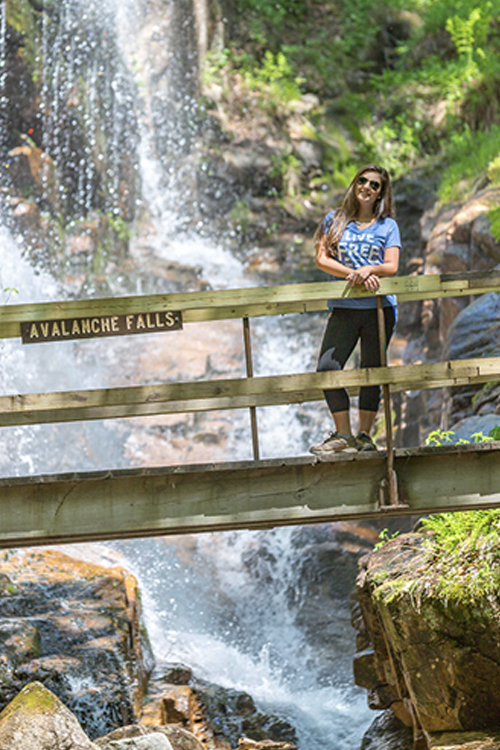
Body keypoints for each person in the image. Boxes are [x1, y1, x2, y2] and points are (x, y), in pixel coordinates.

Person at [310, 164, 400, 455]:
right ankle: (343, 435)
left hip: (378, 307)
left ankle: (364, 436)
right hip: (344, 306)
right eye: (363, 181)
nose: (367, 187)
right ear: (354, 183)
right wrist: (354, 272)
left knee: (371, 372)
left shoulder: (388, 225)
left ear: (380, 194)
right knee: (327, 369)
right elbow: (322, 260)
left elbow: (392, 266)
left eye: (375, 185)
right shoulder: (334, 219)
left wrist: (370, 268)